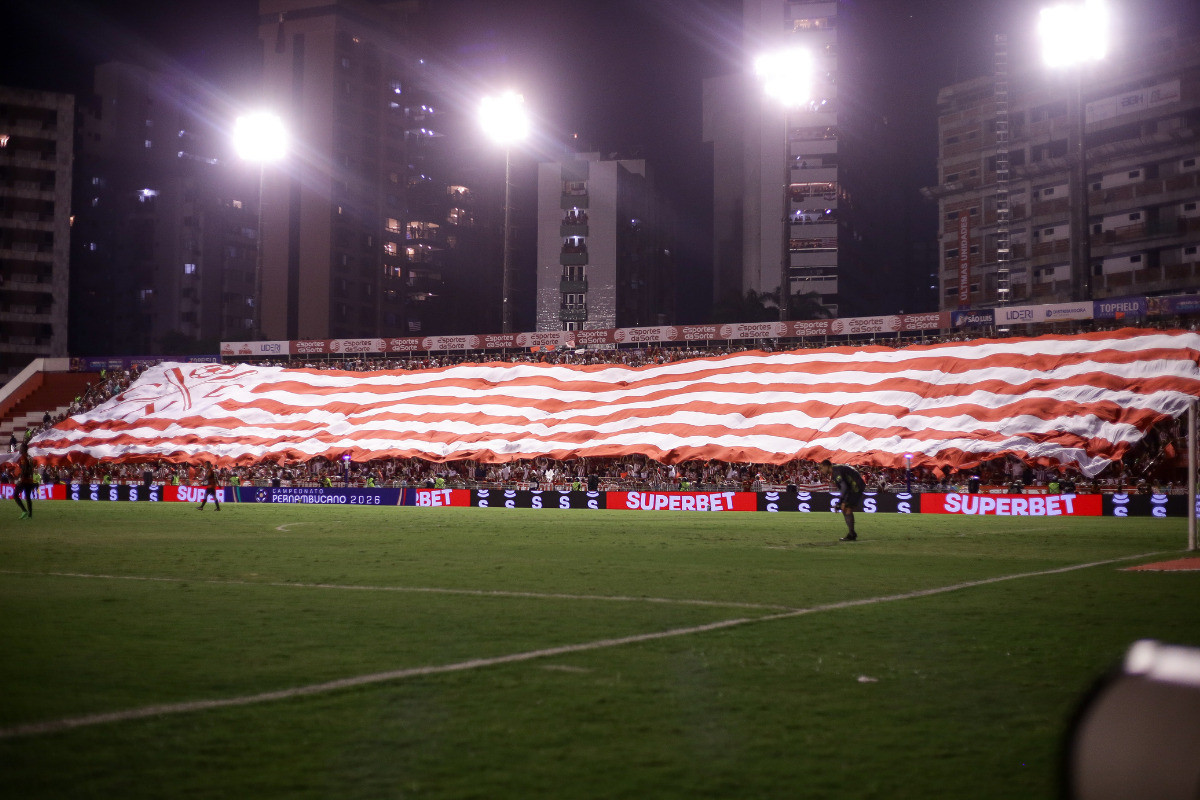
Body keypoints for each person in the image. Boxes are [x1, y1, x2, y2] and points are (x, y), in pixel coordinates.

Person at [819, 459, 865, 542]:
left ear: (826, 466)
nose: (821, 470)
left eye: (821, 468)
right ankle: (852, 533)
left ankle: (852, 534)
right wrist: (842, 502)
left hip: (855, 486)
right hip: (855, 485)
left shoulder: (836, 472)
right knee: (845, 509)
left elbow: (845, 487)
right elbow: (845, 486)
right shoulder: (836, 469)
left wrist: (841, 502)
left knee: (846, 509)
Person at [14, 441, 36, 520]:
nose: (20, 449)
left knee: (15, 495)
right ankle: (30, 515)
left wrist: (20, 478)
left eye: (21, 448)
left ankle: (24, 511)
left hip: (24, 479)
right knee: (28, 497)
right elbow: (31, 468)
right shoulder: (30, 457)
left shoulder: (23, 457)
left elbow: (24, 469)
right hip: (30, 479)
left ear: (23, 449)